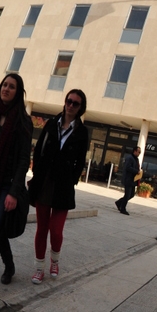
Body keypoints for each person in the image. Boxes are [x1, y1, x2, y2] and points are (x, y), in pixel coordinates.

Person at [28, 90, 88, 284]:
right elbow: (39, 149)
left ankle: (55, 261)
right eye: (69, 101)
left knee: (56, 230)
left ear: (80, 108)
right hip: (44, 181)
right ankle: (39, 268)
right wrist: (36, 172)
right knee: (42, 229)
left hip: (63, 185)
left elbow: (80, 161)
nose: (70, 105)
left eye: (75, 103)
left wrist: (73, 179)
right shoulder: (52, 123)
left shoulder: (82, 131)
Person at [0, 74, 32, 297]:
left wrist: (14, 192)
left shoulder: (22, 121)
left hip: (6, 185)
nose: (6, 89)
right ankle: (10, 266)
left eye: (12, 87)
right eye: (4, 85)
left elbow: (23, 160)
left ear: (17, 92)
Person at [115, 146, 141, 215]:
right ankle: (122, 208)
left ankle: (119, 203)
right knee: (127, 195)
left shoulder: (136, 159)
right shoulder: (129, 158)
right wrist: (136, 171)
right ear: (134, 151)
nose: (139, 153)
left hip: (133, 180)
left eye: (140, 152)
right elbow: (128, 167)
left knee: (132, 194)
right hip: (128, 179)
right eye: (138, 152)